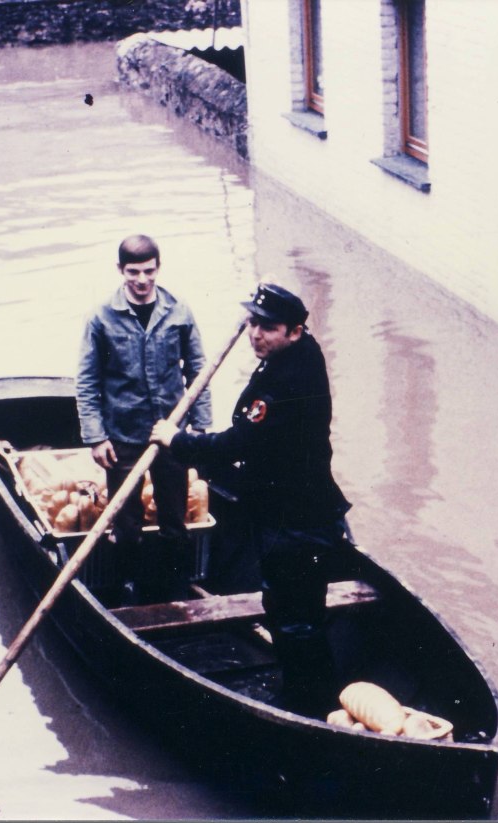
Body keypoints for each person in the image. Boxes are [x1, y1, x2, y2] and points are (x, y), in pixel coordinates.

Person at [150, 283, 351, 713]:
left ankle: (306, 705)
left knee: (290, 617)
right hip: (306, 511)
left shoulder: (286, 381)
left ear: (295, 331)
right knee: (304, 614)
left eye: (269, 328)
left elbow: (239, 443)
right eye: (253, 324)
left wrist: (178, 441)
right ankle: (319, 694)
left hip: (293, 523)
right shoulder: (300, 352)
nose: (256, 335)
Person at [76, 234, 212, 605]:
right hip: (122, 436)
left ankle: (176, 588)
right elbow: (87, 381)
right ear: (120, 270)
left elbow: (198, 369)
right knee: (126, 523)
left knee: (175, 519)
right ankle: (128, 592)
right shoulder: (101, 317)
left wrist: (199, 425)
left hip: (171, 434)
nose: (141, 280)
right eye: (133, 272)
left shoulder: (179, 310)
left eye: (148, 271)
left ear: (158, 268)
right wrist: (95, 437)